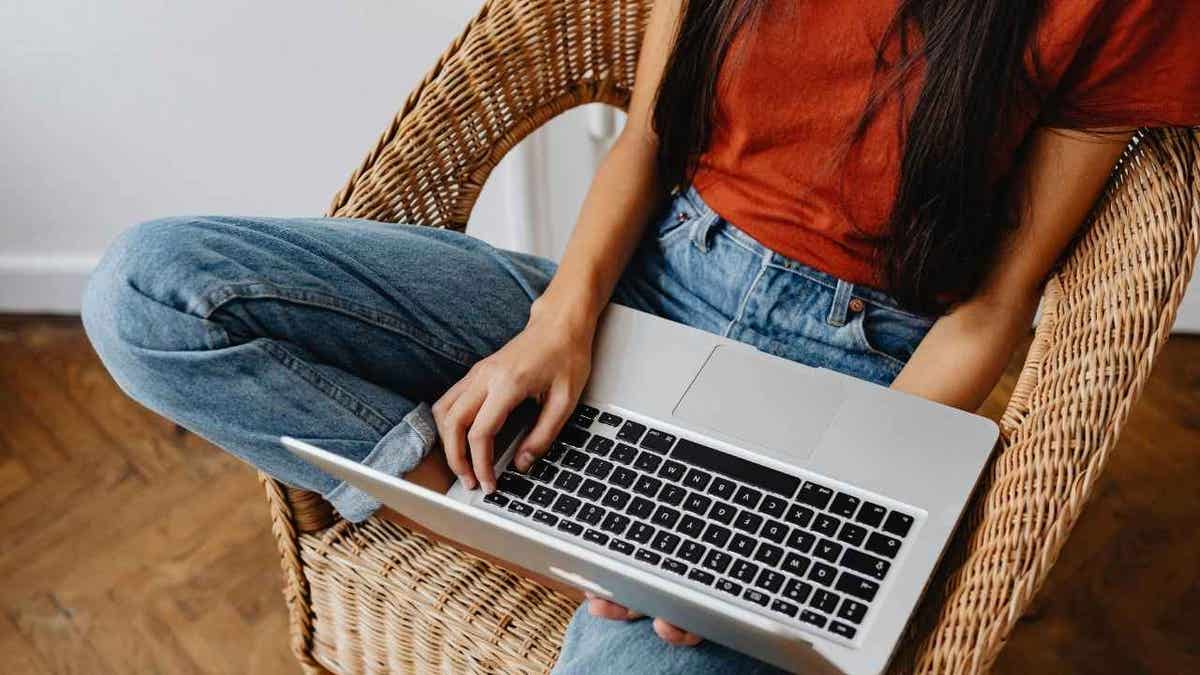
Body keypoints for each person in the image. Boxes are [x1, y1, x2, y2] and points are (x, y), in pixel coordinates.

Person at [82, 0, 1198, 672]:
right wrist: (560, 324)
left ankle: (620, 537)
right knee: (152, 289)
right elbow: (644, 143)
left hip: (856, 366)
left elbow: (990, 311)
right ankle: (530, 525)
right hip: (641, 280)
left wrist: (789, 512)